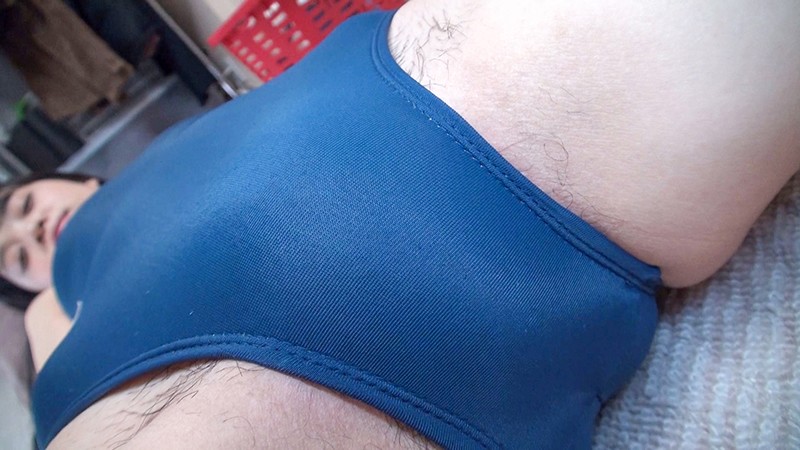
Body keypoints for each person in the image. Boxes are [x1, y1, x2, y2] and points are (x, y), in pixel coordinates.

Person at [3, 1, 798, 448]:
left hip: (446, 70)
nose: (34, 233)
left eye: (24, 207)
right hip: (506, 166)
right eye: (14, 254)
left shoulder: (167, 155)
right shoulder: (54, 310)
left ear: (64, 178)